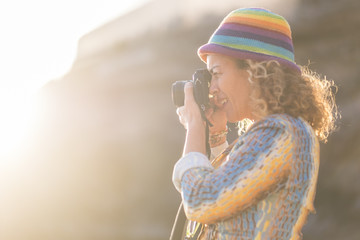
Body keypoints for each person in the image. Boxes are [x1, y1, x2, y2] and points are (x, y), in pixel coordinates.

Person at [171, 7, 338, 240]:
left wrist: (194, 127)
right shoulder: (269, 135)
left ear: (254, 70)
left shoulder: (281, 133)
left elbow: (203, 203)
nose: (211, 89)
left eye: (216, 74)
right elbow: (229, 198)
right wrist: (216, 136)